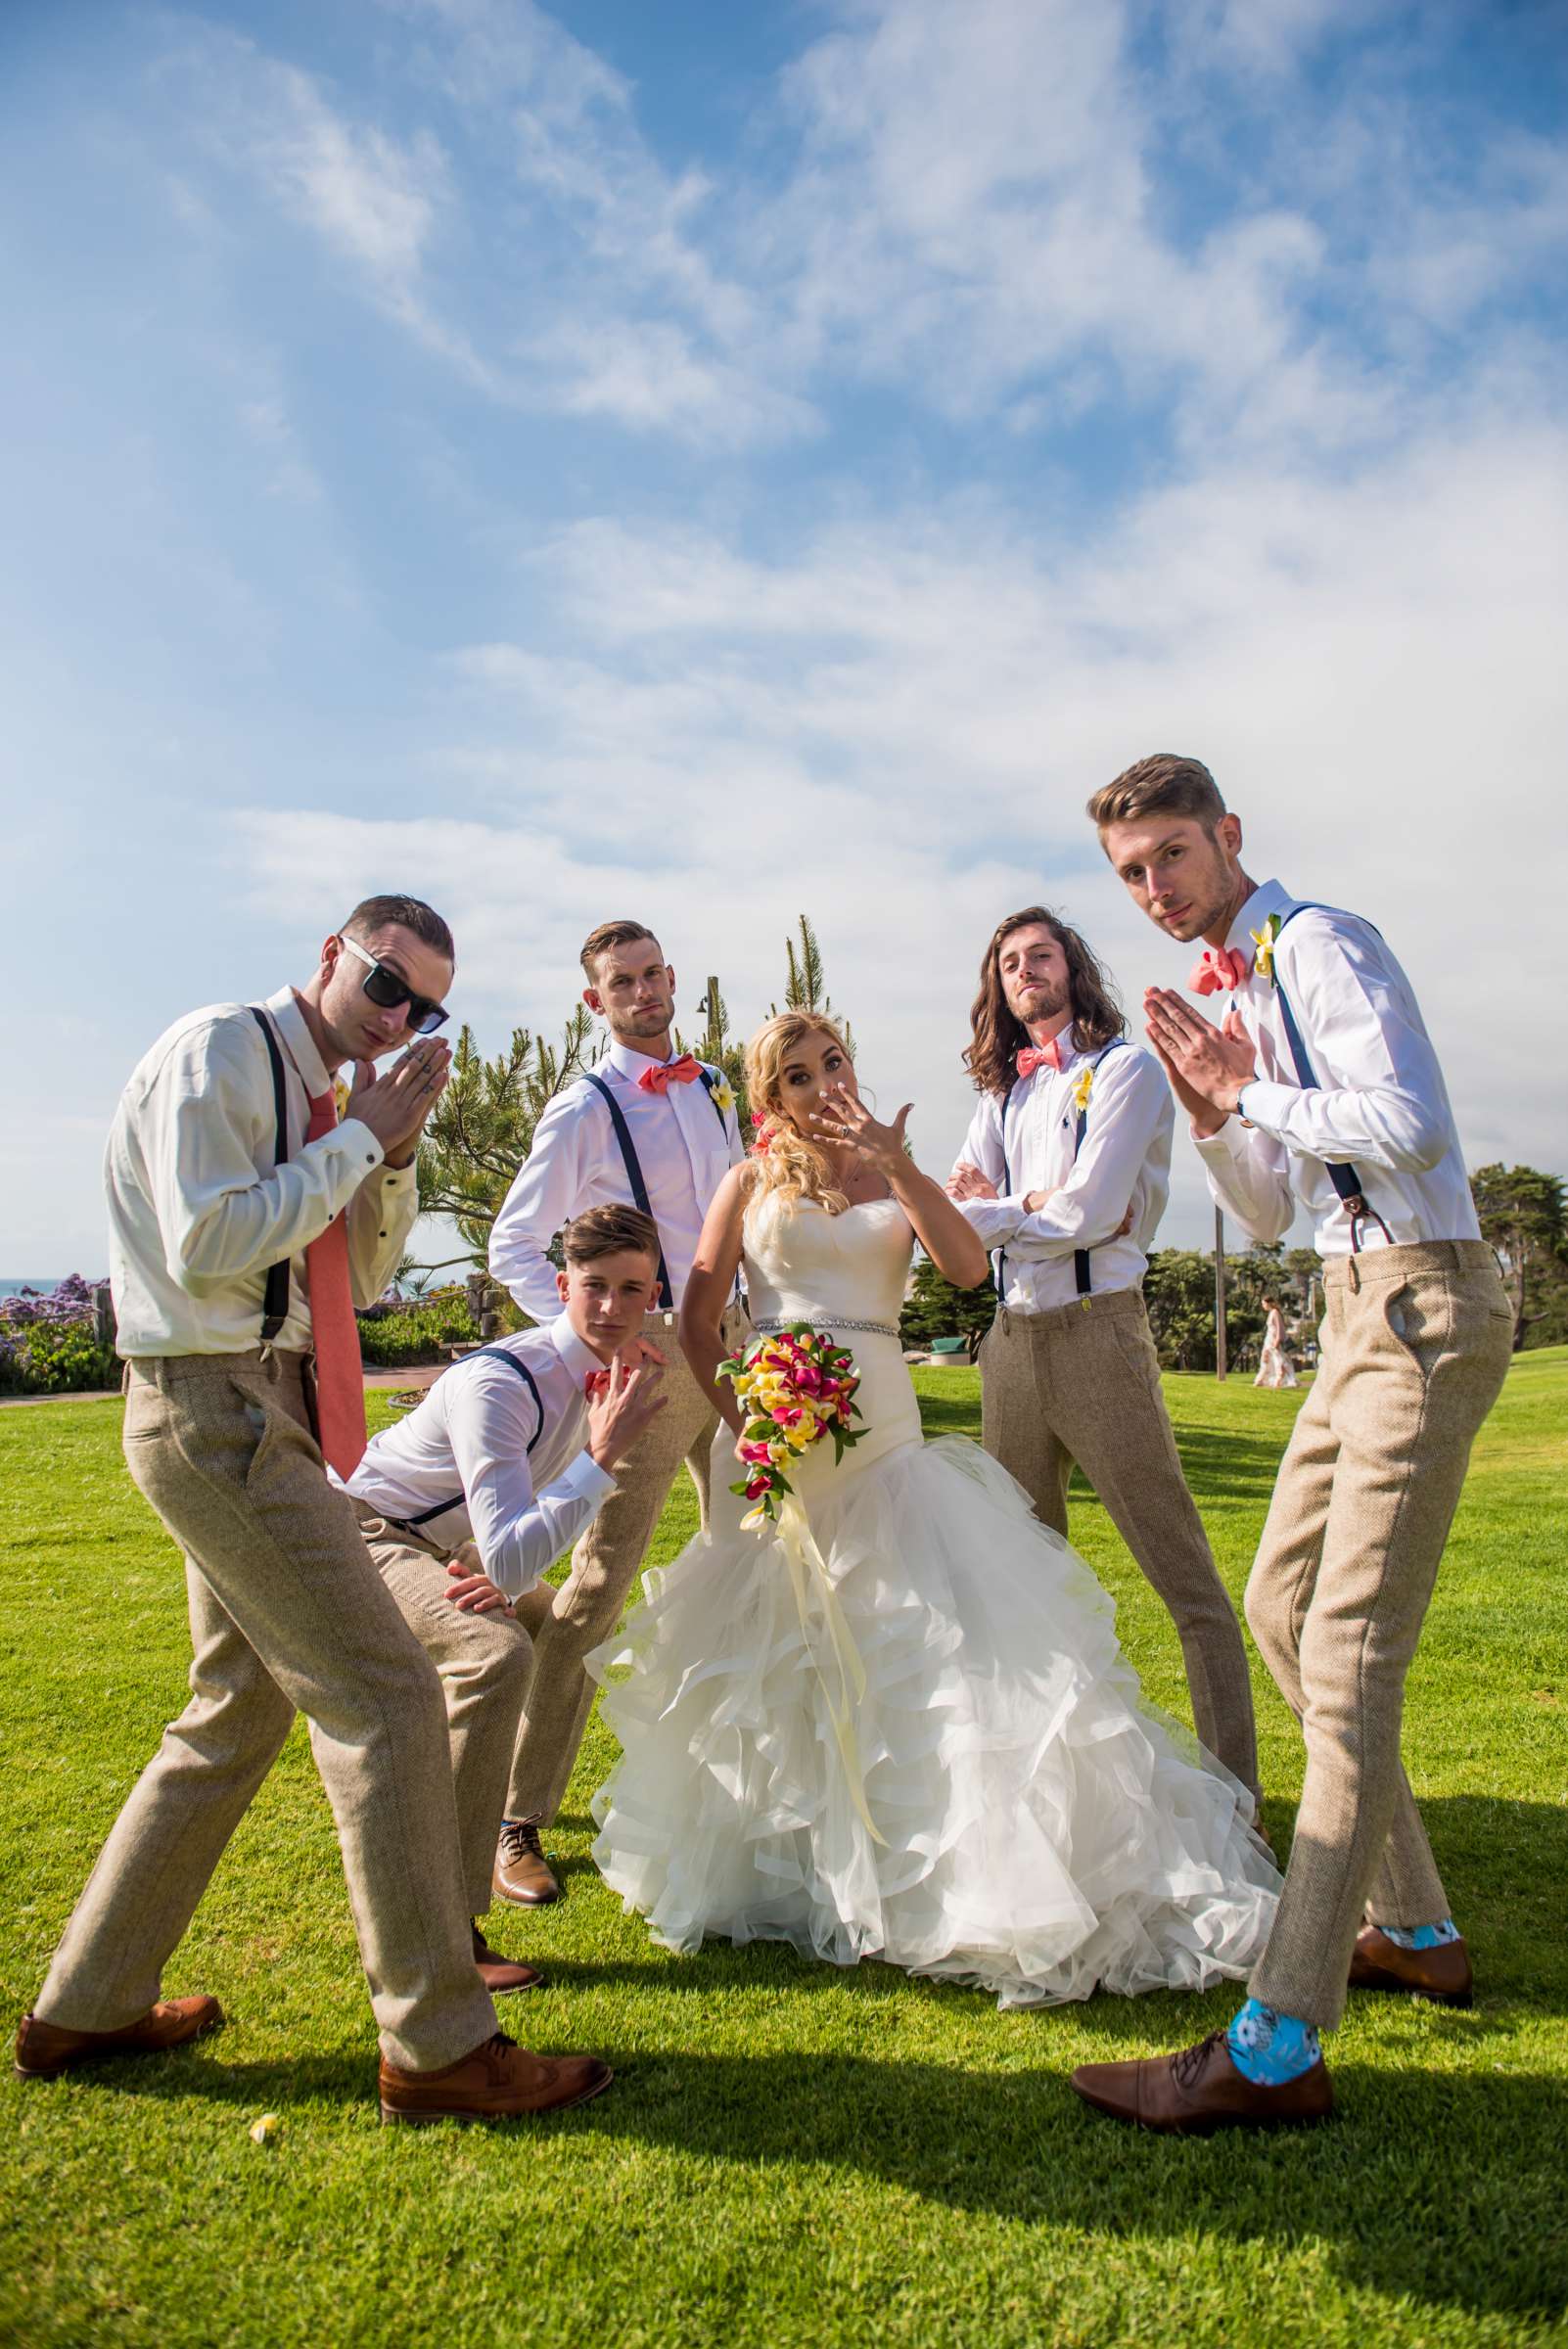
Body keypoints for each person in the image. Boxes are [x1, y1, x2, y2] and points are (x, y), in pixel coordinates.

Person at [14, 898, 611, 2125]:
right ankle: (438, 2047)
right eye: (386, 984)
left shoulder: (336, 1106)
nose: (398, 1017)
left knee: (233, 1714)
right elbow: (204, 1244)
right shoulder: (224, 1051)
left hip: (266, 1407)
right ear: (333, 955)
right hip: (215, 1408)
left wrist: (387, 1152)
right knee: (389, 1695)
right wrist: (360, 1139)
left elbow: (363, 1275)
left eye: (423, 1006)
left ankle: (88, 2001)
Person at [586, 1012, 1279, 2009]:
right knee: (775, 1649)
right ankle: (797, 1861)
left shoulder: (891, 1172)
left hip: (884, 1427)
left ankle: (938, 1865)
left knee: (921, 1642)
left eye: (834, 1061)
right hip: (780, 1442)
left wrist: (902, 1168)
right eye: (797, 1074)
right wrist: (746, 1415)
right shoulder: (746, 1181)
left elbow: (962, 1271)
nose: (822, 1082)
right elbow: (698, 1316)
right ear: (769, 1095)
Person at [1072, 754, 1512, 2133]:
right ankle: (1416, 1925)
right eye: (1130, 875)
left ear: (1227, 838)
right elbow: (1267, 1214)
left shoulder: (1318, 942)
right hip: (1346, 1302)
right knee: (1276, 1605)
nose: (1152, 891)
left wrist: (1244, 1087)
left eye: (1169, 861)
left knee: (1347, 1653)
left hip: (1425, 1299)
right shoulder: (1232, 988)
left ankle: (1275, 2042)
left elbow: (1404, 1123)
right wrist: (1214, 1111)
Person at [947, 906, 1260, 1801]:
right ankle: (1051, 1799)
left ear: (1073, 969)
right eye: (1007, 961)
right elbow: (960, 1229)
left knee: (1185, 1578)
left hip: (1098, 1335)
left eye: (1040, 954)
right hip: (1006, 1347)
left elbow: (1088, 1218)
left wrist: (1005, 1206)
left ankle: (1238, 1799)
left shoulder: (1128, 1071)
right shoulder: (999, 1095)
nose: (1023, 971)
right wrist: (1029, 1203)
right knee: (1020, 1579)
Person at [335, 1206, 668, 1981]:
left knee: (566, 1629)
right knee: (493, 1654)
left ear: (653, 1294)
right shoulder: (501, 1381)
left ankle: (510, 1821)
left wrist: (502, 1560)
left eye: (632, 1289)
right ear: (560, 1287)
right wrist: (601, 1458)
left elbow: (509, 1552)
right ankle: (448, 1931)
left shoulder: (616, 1372)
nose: (614, 1308)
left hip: (445, 1546)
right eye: (595, 1288)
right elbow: (513, 1557)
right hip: (364, 1533)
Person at [487, 921, 749, 1906]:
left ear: (672, 980)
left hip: (740, 1356)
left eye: (652, 976)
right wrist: (602, 1341)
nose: (642, 993)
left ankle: (741, 1795)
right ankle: (517, 1816)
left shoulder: (716, 1083)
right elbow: (515, 1247)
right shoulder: (584, 1104)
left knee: (753, 1565)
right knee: (598, 1589)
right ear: (594, 1002)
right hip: (654, 1365)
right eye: (620, 984)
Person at [1254, 1295, 1299, 1390]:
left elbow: (1279, 1328)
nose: (1263, 1306)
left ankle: (1285, 1379)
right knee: (1265, 1360)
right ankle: (1261, 1379)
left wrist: (1277, 1341)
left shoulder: (1275, 1313)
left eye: (1264, 1304)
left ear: (1268, 1303)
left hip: (1274, 1341)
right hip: (1269, 1341)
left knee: (1280, 1360)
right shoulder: (1271, 1313)